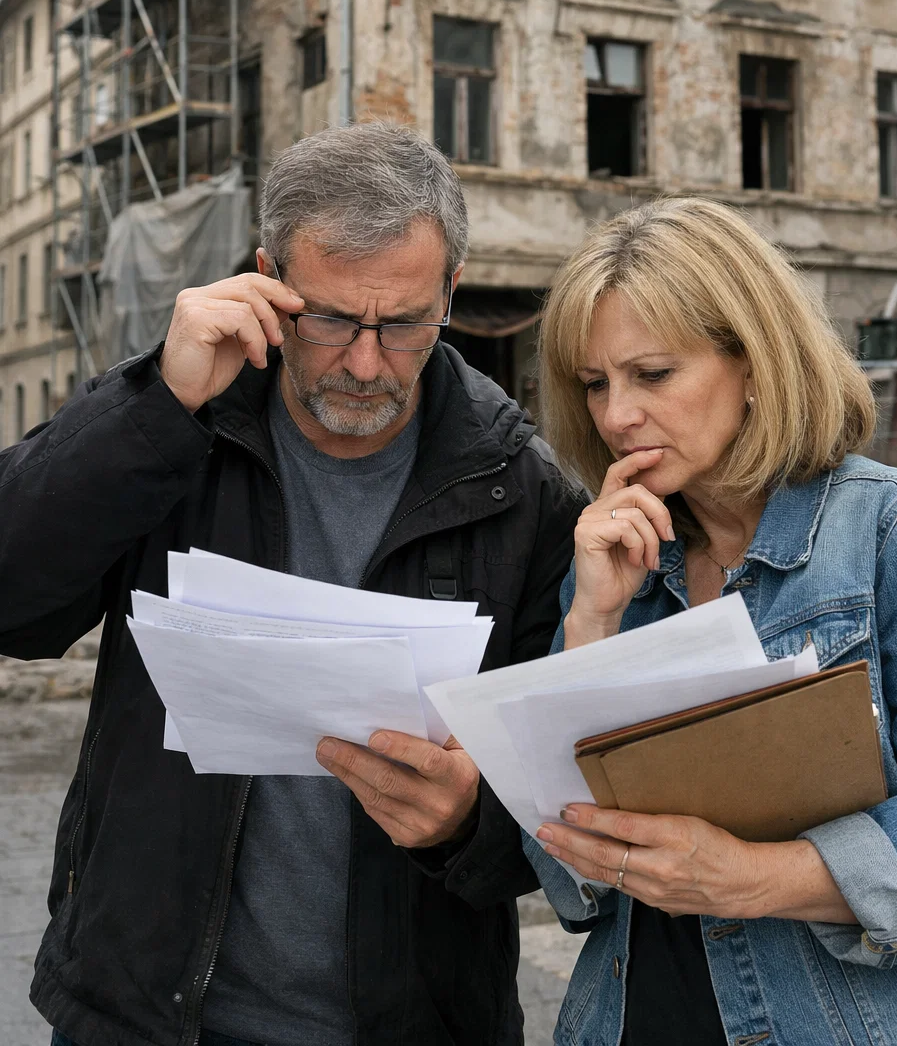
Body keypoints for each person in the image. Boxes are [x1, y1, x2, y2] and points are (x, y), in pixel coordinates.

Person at [0, 122, 584, 1046]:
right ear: (266, 279)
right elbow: (12, 602)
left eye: (403, 325)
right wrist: (158, 406)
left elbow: (572, 804)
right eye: (330, 319)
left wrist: (469, 821)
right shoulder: (176, 430)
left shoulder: (522, 490)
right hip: (149, 1017)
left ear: (452, 294)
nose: (364, 361)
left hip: (418, 1024)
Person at [525, 197, 897, 1046]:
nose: (615, 417)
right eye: (595, 384)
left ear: (754, 363)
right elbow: (560, 863)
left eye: (652, 374)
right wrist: (591, 623)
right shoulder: (613, 560)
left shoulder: (892, 529)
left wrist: (760, 877)